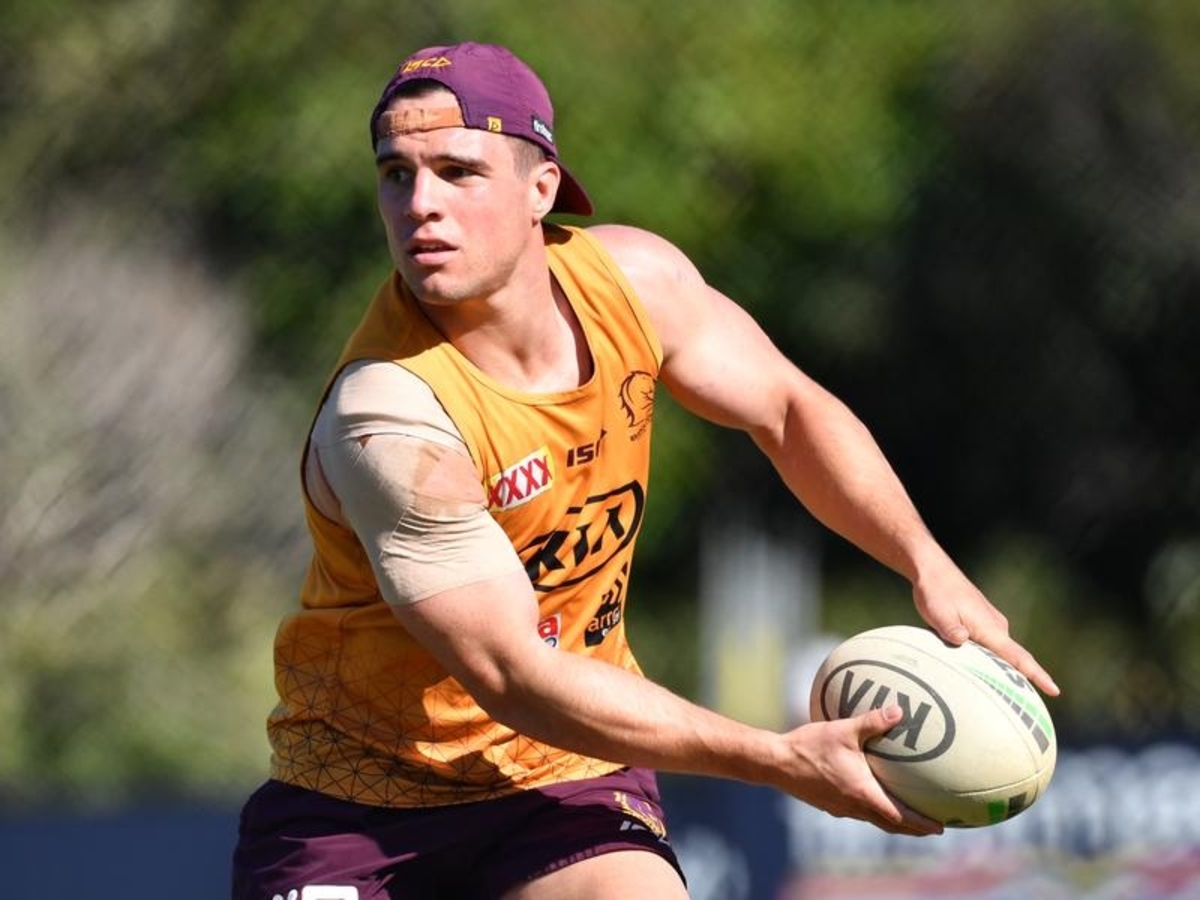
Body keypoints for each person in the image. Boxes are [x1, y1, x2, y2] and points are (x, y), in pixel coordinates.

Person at [231, 40, 1059, 900]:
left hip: (561, 774)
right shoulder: (390, 419)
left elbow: (789, 411)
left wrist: (926, 563)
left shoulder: (634, 284)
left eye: (458, 171)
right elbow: (514, 674)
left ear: (541, 188)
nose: (420, 204)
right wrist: (776, 759)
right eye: (395, 174)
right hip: (359, 806)